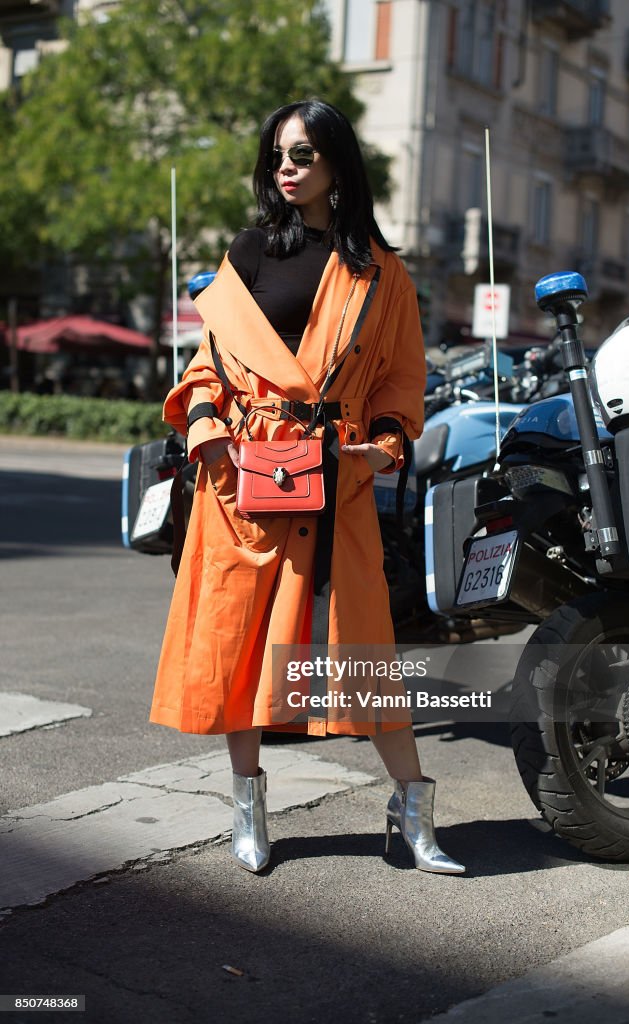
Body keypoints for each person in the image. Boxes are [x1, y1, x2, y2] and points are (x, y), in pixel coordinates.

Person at [150, 99, 465, 876]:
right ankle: (248, 805)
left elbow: (400, 385)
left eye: (303, 156)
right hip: (244, 480)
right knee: (240, 647)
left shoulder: (382, 275)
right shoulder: (250, 252)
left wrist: (381, 451)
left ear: (337, 166)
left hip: (336, 478)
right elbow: (205, 373)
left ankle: (414, 809)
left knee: (364, 653)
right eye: (277, 157)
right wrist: (207, 437)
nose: (286, 169)